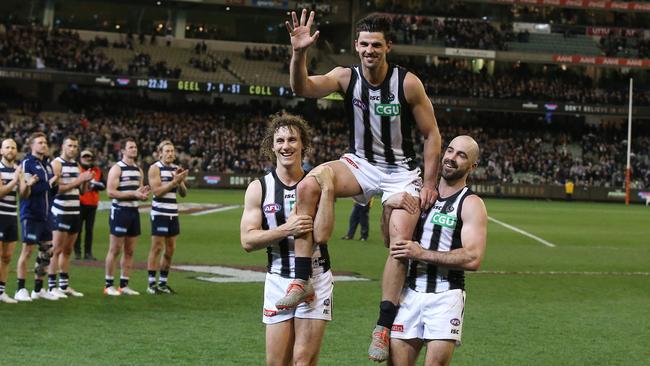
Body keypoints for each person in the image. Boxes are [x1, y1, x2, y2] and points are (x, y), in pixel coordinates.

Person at [282, 10, 441, 361]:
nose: (370, 50)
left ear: (389, 47)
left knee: (400, 244)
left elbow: (431, 134)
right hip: (361, 164)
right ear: (356, 45)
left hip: (401, 172)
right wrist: (299, 52)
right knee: (309, 185)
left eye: (377, 45)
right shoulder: (345, 77)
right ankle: (302, 278)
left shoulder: (408, 83)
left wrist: (429, 184)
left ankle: (383, 326)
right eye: (365, 44)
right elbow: (302, 87)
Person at [240, 113, 334, 366]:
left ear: (303, 143)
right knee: (276, 363)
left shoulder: (317, 182)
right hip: (278, 280)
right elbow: (247, 241)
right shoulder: (259, 188)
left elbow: (323, 235)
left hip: (315, 278)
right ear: (272, 146)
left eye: (292, 139)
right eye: (280, 140)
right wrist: (286, 229)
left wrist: (327, 191)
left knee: (302, 361)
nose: (286, 146)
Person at [388, 136, 488, 366]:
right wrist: (389, 207)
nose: (452, 158)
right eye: (450, 151)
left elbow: (473, 257)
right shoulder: (418, 194)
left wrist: (420, 253)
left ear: (472, 166)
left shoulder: (471, 203)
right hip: (408, 293)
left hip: (446, 296)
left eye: (461, 155)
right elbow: (390, 241)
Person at [47, 136, 94, 299]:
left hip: (75, 211)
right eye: (70, 146)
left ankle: (64, 286)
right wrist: (79, 180)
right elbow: (56, 190)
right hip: (61, 211)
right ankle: (52, 286)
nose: (73, 149)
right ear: (63, 147)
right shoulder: (56, 163)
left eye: (75, 146)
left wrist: (87, 181)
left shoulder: (76, 164)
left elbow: (81, 192)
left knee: (67, 251)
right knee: (56, 249)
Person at [15, 132, 59, 301]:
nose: (44, 145)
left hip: (46, 215)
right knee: (27, 251)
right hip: (31, 214)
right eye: (40, 142)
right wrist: (48, 183)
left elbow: (49, 192)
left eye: (45, 142)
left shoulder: (47, 166)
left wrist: (54, 186)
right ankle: (20, 289)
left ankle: (38, 289)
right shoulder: (27, 164)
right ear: (32, 146)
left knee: (48, 250)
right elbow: (27, 191)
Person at [104, 138, 150, 296]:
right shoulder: (117, 169)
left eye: (135, 147)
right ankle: (108, 284)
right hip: (120, 211)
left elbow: (138, 192)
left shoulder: (139, 170)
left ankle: (124, 285)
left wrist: (142, 195)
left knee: (130, 251)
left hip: (133, 211)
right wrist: (133, 194)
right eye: (130, 147)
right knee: (115, 249)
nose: (134, 149)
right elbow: (110, 192)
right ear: (123, 150)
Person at [146, 140, 188, 295]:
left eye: (172, 151)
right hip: (159, 213)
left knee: (170, 250)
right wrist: (174, 182)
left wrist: (181, 182)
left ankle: (163, 283)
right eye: (167, 151)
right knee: (157, 248)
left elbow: (183, 194)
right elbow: (157, 191)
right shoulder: (155, 168)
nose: (170, 153)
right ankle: (151, 284)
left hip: (172, 213)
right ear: (160, 153)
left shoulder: (176, 169)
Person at [75, 149, 105, 261]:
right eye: (85, 156)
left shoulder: (97, 170)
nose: (87, 158)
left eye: (89, 156)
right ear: (81, 158)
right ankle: (77, 252)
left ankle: (88, 253)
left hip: (92, 203)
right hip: (80, 202)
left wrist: (94, 184)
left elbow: (103, 185)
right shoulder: (78, 169)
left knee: (89, 230)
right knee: (77, 229)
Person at [0, 139, 20, 304]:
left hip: (12, 216)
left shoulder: (18, 170)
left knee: (6, 257)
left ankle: (1, 292)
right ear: (1, 151)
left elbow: (24, 195)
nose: (10, 150)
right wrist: (15, 180)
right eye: (7, 147)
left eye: (13, 147)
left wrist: (27, 185)